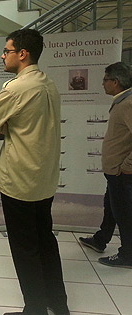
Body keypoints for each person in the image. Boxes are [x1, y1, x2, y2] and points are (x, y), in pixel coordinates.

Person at [0, 29, 69, 315]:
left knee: (25, 248)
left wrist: (7, 126)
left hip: (19, 180)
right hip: (44, 180)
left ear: (22, 53)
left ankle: (35, 309)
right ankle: (58, 304)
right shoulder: (49, 85)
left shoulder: (16, 88)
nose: (2, 56)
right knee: (45, 240)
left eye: (6, 50)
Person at [80, 62, 132, 268]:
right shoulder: (122, 101)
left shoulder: (128, 104)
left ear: (115, 82)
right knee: (111, 207)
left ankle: (127, 255)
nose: (103, 84)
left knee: (124, 214)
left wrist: (127, 166)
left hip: (122, 173)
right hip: (115, 172)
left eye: (105, 80)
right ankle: (101, 240)